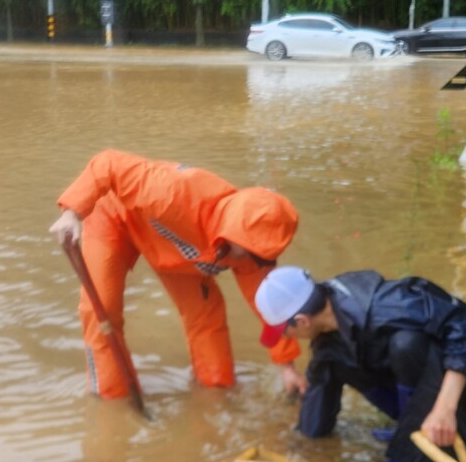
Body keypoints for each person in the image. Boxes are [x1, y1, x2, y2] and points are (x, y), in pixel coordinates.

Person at [50, 149, 306, 398]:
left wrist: (288, 367)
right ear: (234, 231)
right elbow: (108, 163)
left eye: (263, 255)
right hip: (114, 218)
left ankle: (216, 391)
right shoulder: (170, 191)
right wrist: (72, 213)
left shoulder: (252, 254)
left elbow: (267, 308)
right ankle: (114, 398)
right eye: (251, 250)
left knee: (206, 314)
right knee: (101, 311)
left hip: (175, 248)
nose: (254, 260)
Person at [254, 266, 466, 462]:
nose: (287, 338)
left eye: (284, 332)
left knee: (406, 344)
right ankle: (409, 429)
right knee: (334, 358)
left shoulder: (389, 305)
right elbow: (321, 380)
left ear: (301, 321)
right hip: (439, 375)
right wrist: (303, 442)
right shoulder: (330, 317)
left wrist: (444, 408)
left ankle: (416, 450)